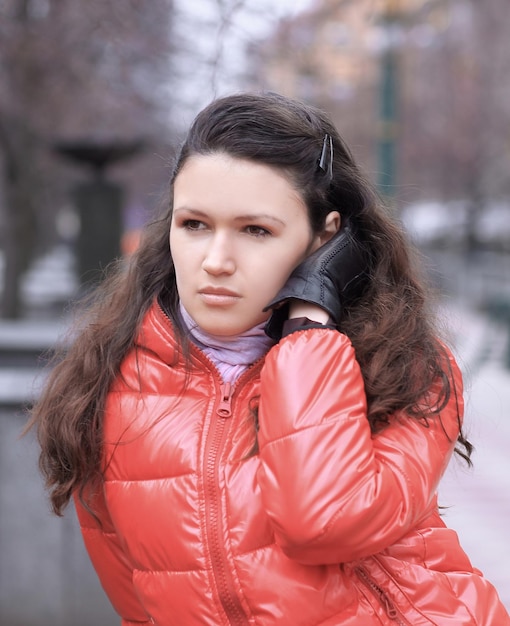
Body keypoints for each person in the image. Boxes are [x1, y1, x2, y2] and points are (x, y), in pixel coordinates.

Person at [31, 92, 510, 626]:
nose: (215, 261)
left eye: (255, 231)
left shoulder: (401, 366)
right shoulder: (107, 382)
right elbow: (141, 606)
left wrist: (308, 330)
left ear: (326, 238)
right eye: (194, 224)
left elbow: (325, 521)